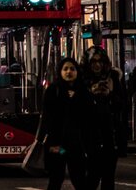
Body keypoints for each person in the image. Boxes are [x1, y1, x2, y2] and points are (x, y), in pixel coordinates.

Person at [39, 57, 93, 190]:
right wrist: (45, 142)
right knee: (56, 178)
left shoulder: (83, 91)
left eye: (72, 69)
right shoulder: (53, 90)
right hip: (58, 145)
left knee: (79, 178)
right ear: (60, 71)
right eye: (65, 69)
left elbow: (88, 116)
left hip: (77, 145)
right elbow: (47, 117)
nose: (69, 72)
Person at [82, 47, 126, 190]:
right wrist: (91, 93)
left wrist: (109, 94)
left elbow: (121, 104)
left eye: (100, 61)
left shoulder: (112, 77)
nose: (97, 65)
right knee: (92, 176)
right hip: (90, 135)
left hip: (109, 134)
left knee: (108, 177)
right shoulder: (83, 79)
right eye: (93, 61)